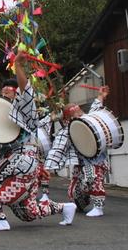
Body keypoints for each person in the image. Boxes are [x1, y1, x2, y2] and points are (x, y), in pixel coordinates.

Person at [0, 61, 77, 231]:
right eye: (3, 90)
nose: (4, 93)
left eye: (9, 90)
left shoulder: (25, 110)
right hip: (23, 164)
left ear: (17, 94)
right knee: (27, 212)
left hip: (22, 160)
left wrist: (18, 66)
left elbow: (25, 89)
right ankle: (64, 208)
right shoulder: (3, 115)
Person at [44, 86, 112, 217]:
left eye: (79, 111)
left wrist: (101, 96)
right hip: (80, 164)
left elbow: (95, 108)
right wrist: (48, 167)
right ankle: (81, 204)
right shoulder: (67, 131)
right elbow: (58, 148)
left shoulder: (90, 119)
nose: (79, 113)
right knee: (74, 192)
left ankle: (98, 207)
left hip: (96, 161)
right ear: (68, 118)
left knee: (92, 178)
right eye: (74, 113)